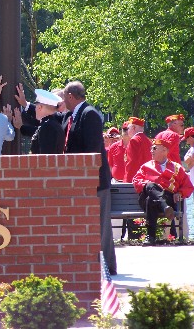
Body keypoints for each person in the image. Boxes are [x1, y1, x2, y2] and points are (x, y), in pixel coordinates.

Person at [62, 81, 117, 275]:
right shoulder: (72, 115)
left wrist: (85, 176)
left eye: (64, 97)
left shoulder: (90, 114)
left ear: (70, 96)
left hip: (95, 180)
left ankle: (107, 267)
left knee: (101, 225)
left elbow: (92, 150)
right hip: (82, 180)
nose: (62, 101)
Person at [132, 138, 194, 245]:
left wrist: (180, 193)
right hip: (152, 198)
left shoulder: (177, 168)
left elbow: (188, 186)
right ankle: (164, 206)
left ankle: (150, 237)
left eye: (154, 148)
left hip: (167, 198)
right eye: (151, 148)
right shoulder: (146, 166)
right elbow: (136, 181)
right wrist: (150, 186)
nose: (151, 150)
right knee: (150, 186)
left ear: (164, 150)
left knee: (150, 200)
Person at [27, 89, 64, 154]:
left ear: (40, 107)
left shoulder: (48, 126)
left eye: (36, 106)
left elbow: (46, 157)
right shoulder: (52, 124)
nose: (35, 109)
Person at [124, 117, 152, 183]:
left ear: (133, 128)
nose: (127, 131)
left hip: (135, 179)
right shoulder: (148, 140)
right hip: (146, 177)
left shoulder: (134, 140)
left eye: (128, 128)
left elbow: (132, 162)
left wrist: (127, 179)